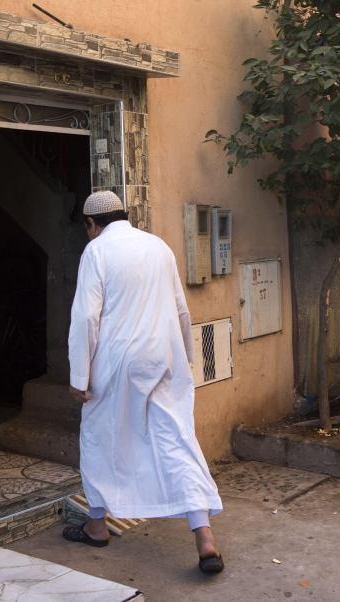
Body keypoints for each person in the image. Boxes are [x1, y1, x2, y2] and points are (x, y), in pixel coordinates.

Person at [63, 190, 225, 574]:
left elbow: (86, 318)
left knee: (100, 437)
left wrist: (78, 376)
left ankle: (97, 524)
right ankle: (204, 537)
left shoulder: (97, 251)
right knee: (175, 439)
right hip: (163, 356)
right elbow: (182, 309)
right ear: (125, 215)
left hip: (117, 363)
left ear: (91, 224)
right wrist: (186, 359)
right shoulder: (158, 247)